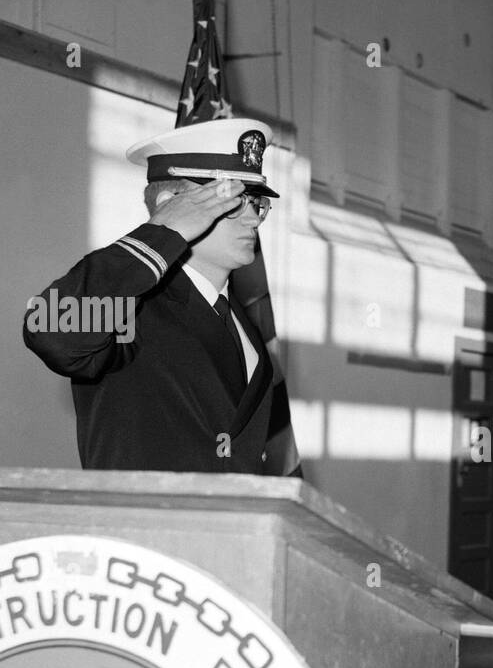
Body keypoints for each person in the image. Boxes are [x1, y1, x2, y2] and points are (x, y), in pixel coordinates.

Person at [24, 118, 297, 477]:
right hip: (140, 529)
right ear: (172, 205)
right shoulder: (134, 307)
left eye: (256, 204)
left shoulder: (244, 327)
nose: (253, 220)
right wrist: (162, 233)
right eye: (233, 202)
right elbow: (54, 329)